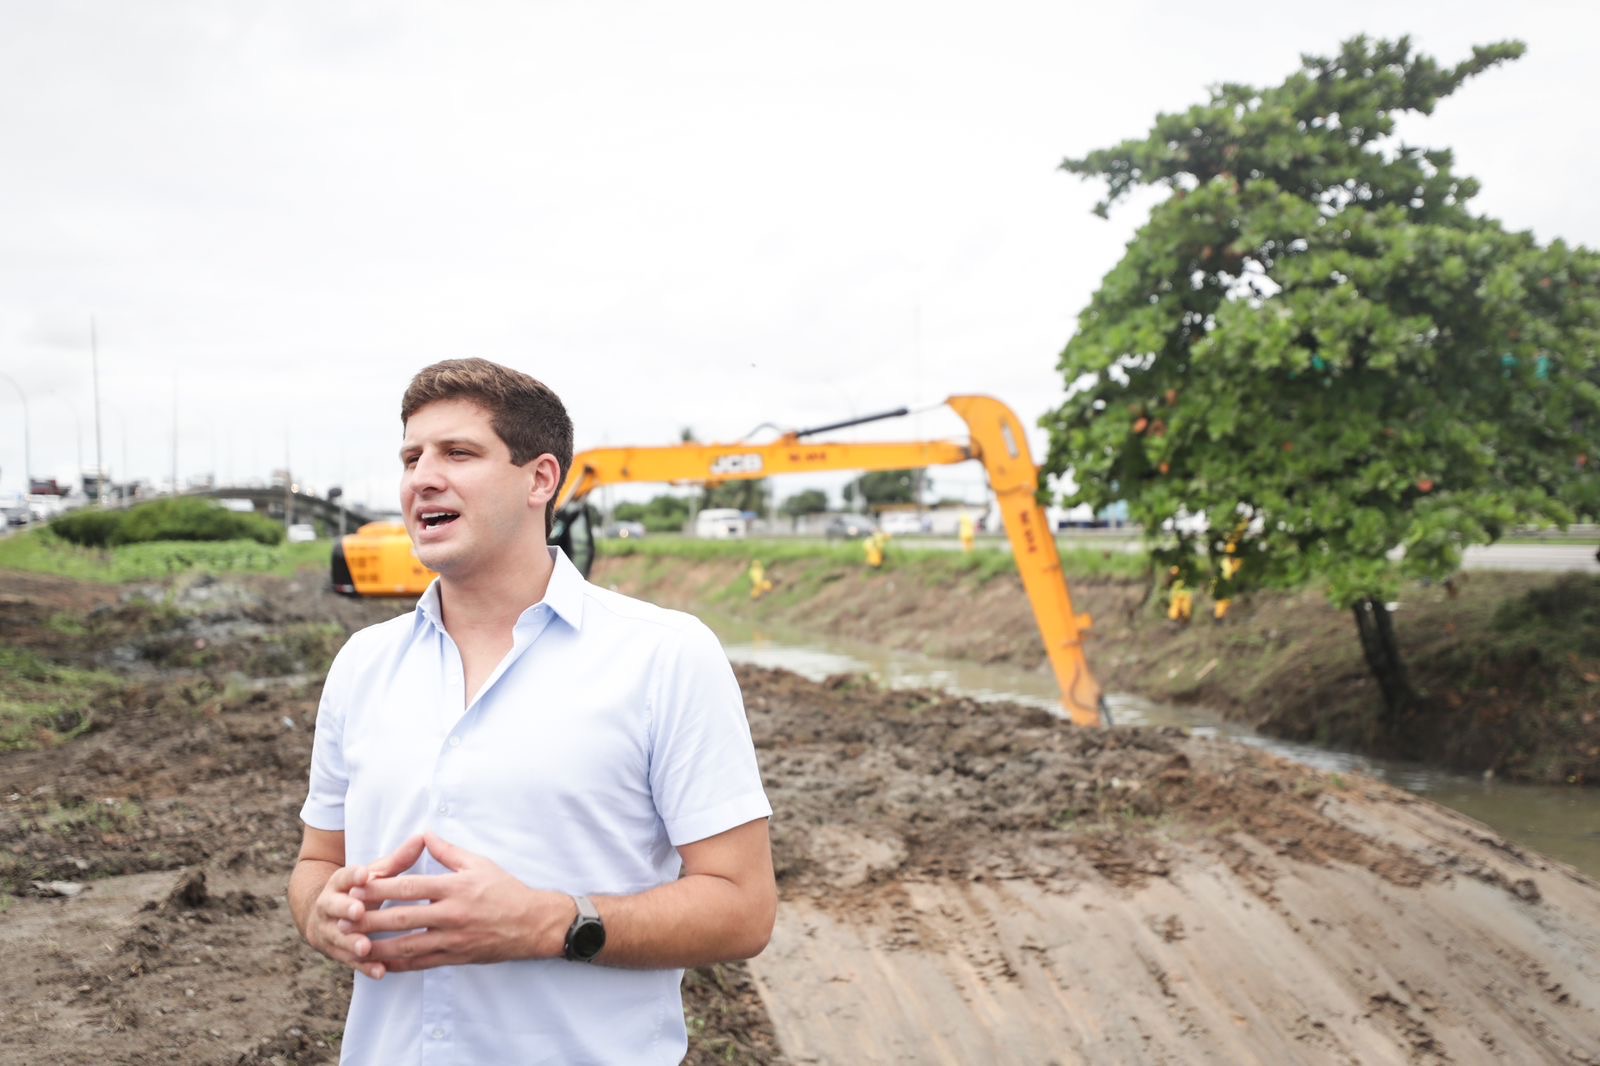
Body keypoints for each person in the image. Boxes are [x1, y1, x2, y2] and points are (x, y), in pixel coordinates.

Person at [288, 358, 776, 1064]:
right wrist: (320, 914)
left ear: (540, 479)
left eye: (458, 452)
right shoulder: (362, 665)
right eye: (411, 457)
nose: (422, 476)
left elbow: (743, 908)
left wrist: (552, 922)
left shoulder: (665, 657)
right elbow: (315, 862)